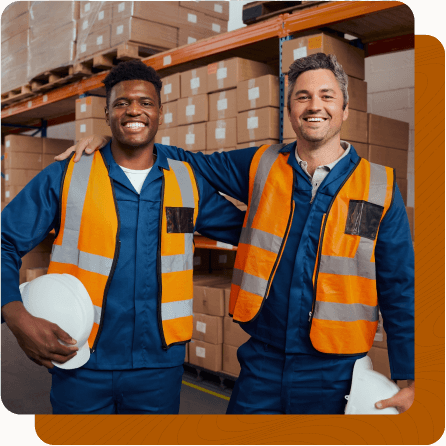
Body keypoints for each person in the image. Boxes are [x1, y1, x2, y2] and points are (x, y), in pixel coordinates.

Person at [58, 53, 414, 414]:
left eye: (326, 96)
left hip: (336, 370)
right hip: (263, 361)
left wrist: (413, 377)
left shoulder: (378, 187)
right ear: (290, 109)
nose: (314, 106)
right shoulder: (262, 164)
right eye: (302, 97)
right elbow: (191, 161)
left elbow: (398, 286)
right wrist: (120, 137)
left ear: (345, 107)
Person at [1, 60, 245, 415]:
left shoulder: (187, 182)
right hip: (82, 358)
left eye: (145, 103)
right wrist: (15, 314)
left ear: (160, 113)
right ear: (108, 113)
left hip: (158, 367)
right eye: (121, 103)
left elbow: (255, 234)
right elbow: (4, 240)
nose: (134, 110)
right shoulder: (67, 175)